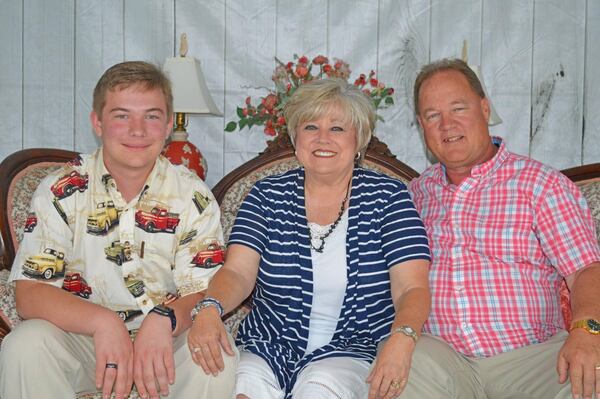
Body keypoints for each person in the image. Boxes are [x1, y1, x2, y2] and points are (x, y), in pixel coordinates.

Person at [0, 61, 238, 399]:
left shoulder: (193, 194)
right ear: (97, 122)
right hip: (82, 337)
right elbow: (29, 293)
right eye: (122, 116)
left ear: (169, 124)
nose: (137, 130)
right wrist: (103, 322)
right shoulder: (61, 189)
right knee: (24, 346)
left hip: (166, 338)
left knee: (218, 356)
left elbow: (202, 290)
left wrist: (164, 319)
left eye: (152, 116)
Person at [186, 78, 431, 399]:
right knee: (241, 389)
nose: (322, 139)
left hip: (353, 349)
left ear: (359, 139)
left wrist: (402, 338)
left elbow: (412, 286)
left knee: (319, 388)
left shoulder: (389, 197)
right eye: (311, 126)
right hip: (268, 344)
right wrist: (209, 307)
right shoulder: (265, 195)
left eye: (338, 129)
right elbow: (237, 272)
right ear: (295, 137)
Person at [406, 58, 600, 399]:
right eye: (433, 115)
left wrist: (587, 331)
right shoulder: (413, 196)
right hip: (442, 361)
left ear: (484, 107)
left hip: (533, 358)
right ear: (422, 125)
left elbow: (585, 270)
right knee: (400, 369)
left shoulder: (540, 184)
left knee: (589, 377)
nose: (446, 125)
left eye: (458, 108)